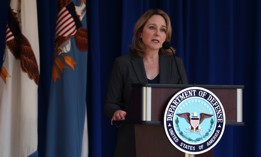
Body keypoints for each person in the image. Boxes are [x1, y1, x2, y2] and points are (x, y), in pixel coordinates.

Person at [104, 9, 188, 157]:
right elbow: (111, 103)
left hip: (167, 143)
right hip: (132, 143)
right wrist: (116, 112)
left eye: (162, 30)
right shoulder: (123, 64)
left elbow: (186, 100)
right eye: (152, 27)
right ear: (140, 33)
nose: (157, 33)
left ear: (165, 38)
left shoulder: (175, 64)